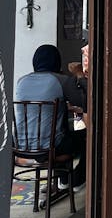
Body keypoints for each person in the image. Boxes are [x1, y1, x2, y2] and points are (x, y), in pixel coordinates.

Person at [15, 44, 86, 189]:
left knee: (57, 129)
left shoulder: (21, 81)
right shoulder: (62, 80)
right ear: (57, 61)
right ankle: (75, 180)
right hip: (52, 148)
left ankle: (63, 179)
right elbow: (85, 101)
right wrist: (78, 74)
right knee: (89, 137)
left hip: (20, 146)